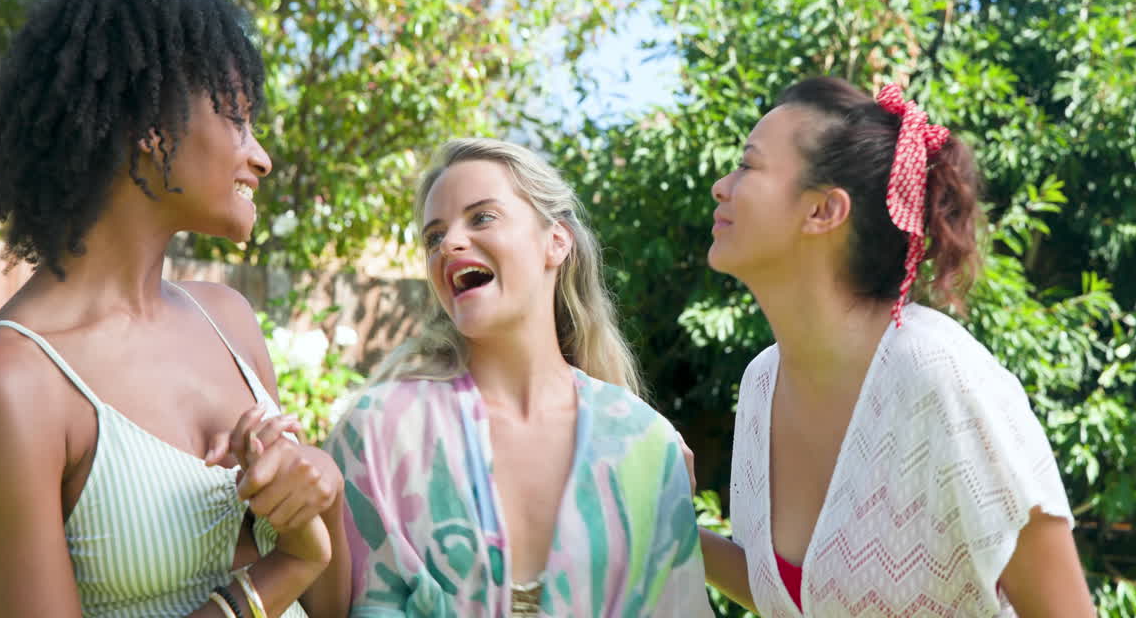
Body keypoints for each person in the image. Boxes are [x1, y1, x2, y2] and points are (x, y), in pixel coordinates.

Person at [0, 0, 349, 617]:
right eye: (237, 117)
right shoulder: (12, 381)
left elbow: (333, 607)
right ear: (150, 125)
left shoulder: (228, 319)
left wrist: (321, 500)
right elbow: (295, 574)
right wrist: (272, 578)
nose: (261, 157)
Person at [696, 77, 1095, 616]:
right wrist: (661, 517)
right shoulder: (762, 383)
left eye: (748, 165)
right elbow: (811, 596)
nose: (723, 185)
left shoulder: (939, 373)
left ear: (823, 212)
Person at [330, 138, 713, 617]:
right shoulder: (378, 432)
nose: (449, 244)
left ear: (556, 240)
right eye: (434, 237)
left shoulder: (644, 443)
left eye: (482, 217)